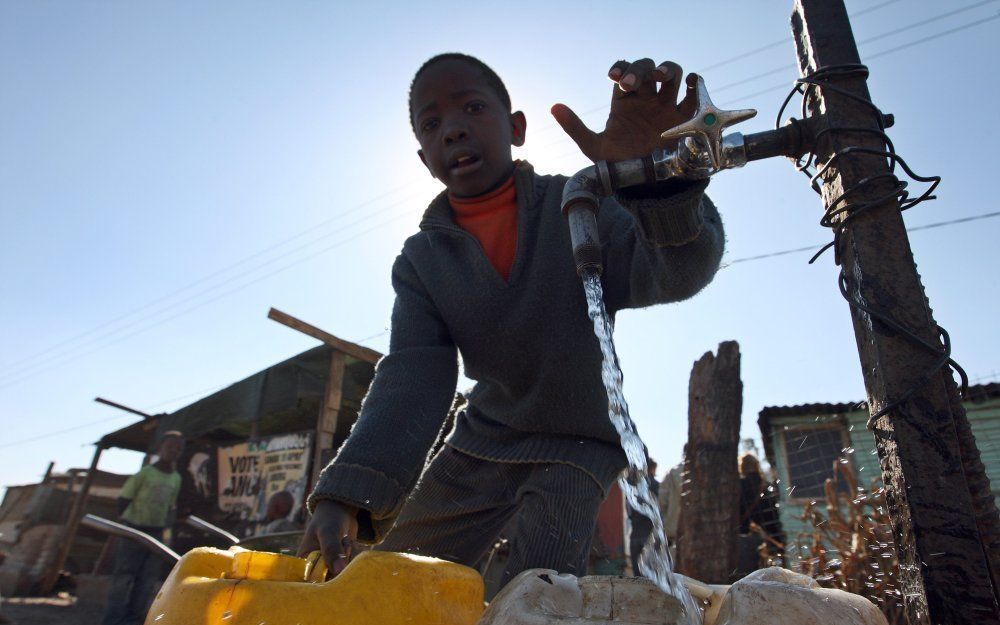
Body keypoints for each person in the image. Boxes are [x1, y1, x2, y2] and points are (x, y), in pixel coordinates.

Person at [299, 53, 724, 588]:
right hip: (482, 439)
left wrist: (658, 190)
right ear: (423, 157)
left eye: (473, 108)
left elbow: (676, 272)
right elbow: (413, 374)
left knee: (536, 595)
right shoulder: (423, 261)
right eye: (432, 125)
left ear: (516, 128)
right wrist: (346, 494)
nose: (453, 129)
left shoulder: (580, 203)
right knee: (390, 584)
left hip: (578, 444)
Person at [102, 431, 184, 625]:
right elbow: (124, 499)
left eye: (178, 449)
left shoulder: (176, 478)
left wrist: (167, 529)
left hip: (156, 534)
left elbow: (170, 507)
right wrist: (126, 525)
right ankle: (113, 620)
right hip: (134, 531)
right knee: (124, 577)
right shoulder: (145, 474)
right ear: (160, 449)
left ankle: (134, 619)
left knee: (147, 580)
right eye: (170, 447)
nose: (173, 451)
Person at [736, 453, 784, 577]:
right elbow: (774, 513)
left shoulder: (740, 485)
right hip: (771, 534)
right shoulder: (765, 485)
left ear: (742, 467)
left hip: (748, 535)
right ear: (756, 466)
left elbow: (740, 509)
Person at [628, 459, 660, 577]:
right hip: (650, 536)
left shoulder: (632, 487)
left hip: (635, 536)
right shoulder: (656, 486)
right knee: (653, 579)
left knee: (638, 579)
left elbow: (629, 513)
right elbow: (660, 513)